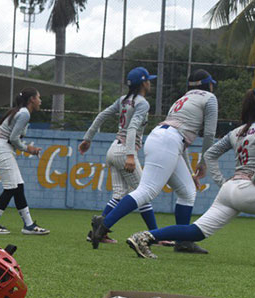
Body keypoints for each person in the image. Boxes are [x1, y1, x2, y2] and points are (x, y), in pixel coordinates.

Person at [126, 89, 255, 267]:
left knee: (195, 231)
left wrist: (221, 182)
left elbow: (211, 154)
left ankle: (144, 237)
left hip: (229, 190)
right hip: (248, 190)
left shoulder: (237, 132)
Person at [91, 69, 220, 254]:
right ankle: (104, 224)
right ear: (208, 84)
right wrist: (204, 161)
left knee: (187, 191)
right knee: (146, 191)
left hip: (162, 138)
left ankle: (183, 242)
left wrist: (191, 170)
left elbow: (179, 140)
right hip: (169, 141)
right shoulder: (209, 98)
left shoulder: (183, 99)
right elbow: (209, 134)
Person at [79, 67, 160, 244]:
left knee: (120, 193)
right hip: (124, 151)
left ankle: (97, 232)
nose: (150, 83)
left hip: (113, 149)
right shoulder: (142, 103)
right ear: (143, 83)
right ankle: (155, 235)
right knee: (143, 193)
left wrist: (88, 138)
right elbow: (131, 129)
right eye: (149, 80)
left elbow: (101, 116)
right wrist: (130, 155)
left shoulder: (123, 100)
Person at [0, 88, 49, 235]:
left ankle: (29, 225)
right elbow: (13, 138)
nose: (40, 100)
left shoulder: (20, 112)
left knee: (18, 186)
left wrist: (26, 148)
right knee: (11, 187)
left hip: (2, 148)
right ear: (31, 99)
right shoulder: (24, 113)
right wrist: (28, 149)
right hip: (2, 148)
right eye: (39, 97)